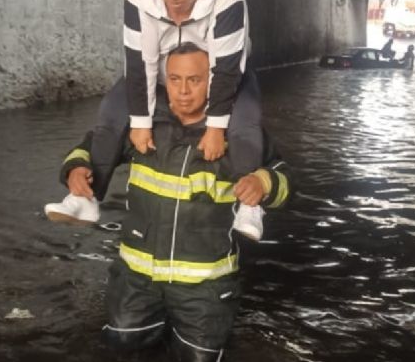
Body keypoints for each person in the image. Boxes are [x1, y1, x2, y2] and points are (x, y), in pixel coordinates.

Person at [59, 44, 291, 361]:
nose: (182, 91)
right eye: (175, 79)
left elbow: (286, 180)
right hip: (136, 280)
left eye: (194, 80)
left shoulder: (237, 135)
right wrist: (76, 170)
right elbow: (90, 146)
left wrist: (262, 183)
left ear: (213, 83)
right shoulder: (142, 127)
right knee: (124, 345)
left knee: (199, 357)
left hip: (205, 288)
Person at [45, 0, 264, 235]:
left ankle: (249, 208)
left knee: (245, 121)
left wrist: (216, 126)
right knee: (110, 113)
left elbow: (227, 68)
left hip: (221, 73)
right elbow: (138, 63)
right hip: (163, 73)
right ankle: (86, 200)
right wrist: (140, 122)